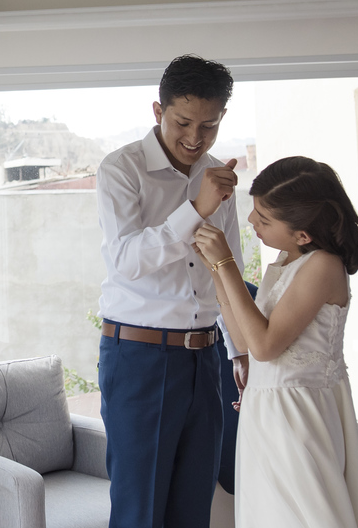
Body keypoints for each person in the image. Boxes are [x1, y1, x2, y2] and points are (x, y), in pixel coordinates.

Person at [95, 55, 248, 528]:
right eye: (183, 122)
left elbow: (230, 267)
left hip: (208, 358)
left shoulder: (219, 174)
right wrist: (197, 208)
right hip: (140, 357)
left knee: (193, 509)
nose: (195, 138)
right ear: (158, 111)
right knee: (141, 512)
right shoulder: (122, 169)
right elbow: (126, 260)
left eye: (210, 125)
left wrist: (241, 349)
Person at [194, 156, 358, 528]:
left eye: (263, 219)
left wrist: (227, 262)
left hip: (297, 415)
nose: (251, 222)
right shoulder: (288, 259)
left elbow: (265, 347)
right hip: (269, 411)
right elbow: (245, 338)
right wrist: (215, 269)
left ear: (303, 234)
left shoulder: (323, 265)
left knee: (303, 515)